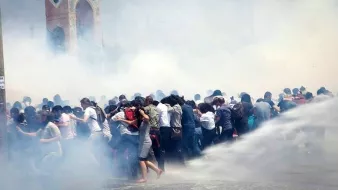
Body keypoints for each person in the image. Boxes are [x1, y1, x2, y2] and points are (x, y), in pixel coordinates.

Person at [116, 100, 162, 183]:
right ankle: (158, 170)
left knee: (141, 159)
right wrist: (120, 119)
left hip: (146, 142)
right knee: (143, 159)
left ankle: (144, 178)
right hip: (142, 142)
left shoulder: (145, 119)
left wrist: (142, 112)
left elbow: (147, 117)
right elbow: (130, 122)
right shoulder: (139, 120)